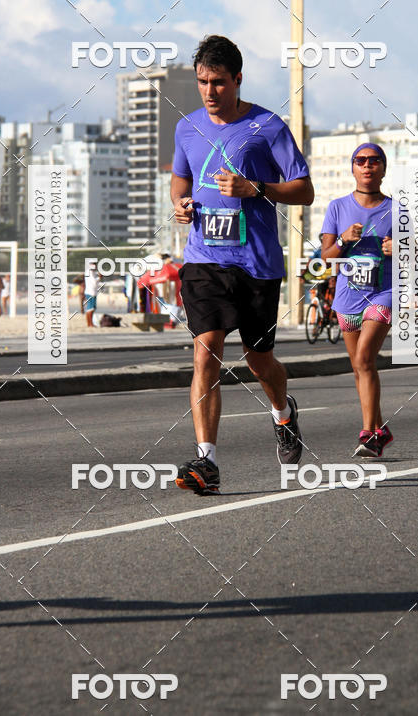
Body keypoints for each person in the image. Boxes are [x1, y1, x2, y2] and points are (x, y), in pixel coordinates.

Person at [171, 35, 314, 493]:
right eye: (201, 82)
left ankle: (283, 411)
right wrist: (179, 204)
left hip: (256, 265)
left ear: (237, 80)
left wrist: (257, 189)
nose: (209, 92)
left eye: (217, 82)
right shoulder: (187, 128)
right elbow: (180, 179)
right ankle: (206, 461)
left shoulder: (267, 126)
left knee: (258, 359)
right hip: (203, 259)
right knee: (206, 348)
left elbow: (304, 189)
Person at [320, 144, 393, 458]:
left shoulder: (399, 210)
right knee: (359, 367)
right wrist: (343, 241)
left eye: (374, 160)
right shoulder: (337, 208)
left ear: (383, 168)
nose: (367, 166)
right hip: (347, 298)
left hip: (383, 293)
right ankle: (381, 428)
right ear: (352, 168)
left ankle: (369, 436)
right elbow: (325, 260)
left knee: (364, 360)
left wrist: (400, 250)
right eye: (360, 161)